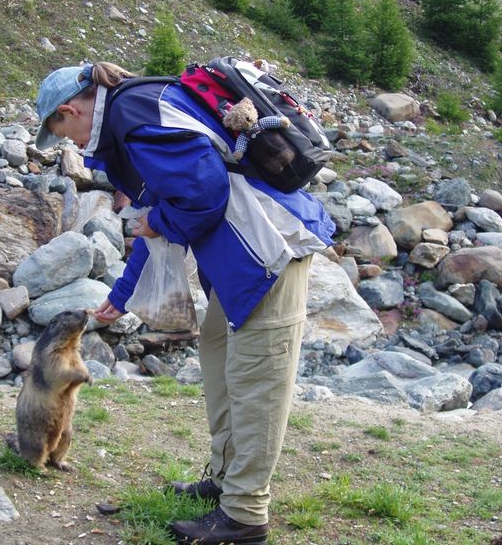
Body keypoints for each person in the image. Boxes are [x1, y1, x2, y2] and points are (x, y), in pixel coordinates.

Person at [34, 61, 335, 545]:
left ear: (69, 110)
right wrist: (120, 296)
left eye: (63, 132)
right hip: (237, 262)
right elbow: (156, 216)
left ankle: (244, 516)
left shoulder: (133, 118)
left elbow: (202, 196)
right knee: (220, 366)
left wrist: (160, 225)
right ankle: (224, 481)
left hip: (269, 249)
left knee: (257, 383)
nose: (70, 143)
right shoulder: (134, 113)